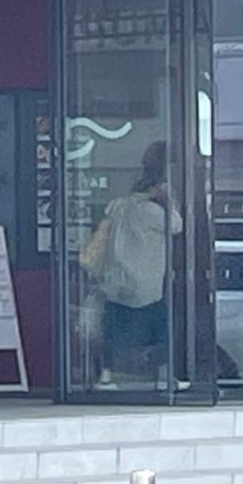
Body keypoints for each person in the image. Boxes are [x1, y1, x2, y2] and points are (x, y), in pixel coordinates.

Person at [89, 141, 182, 389]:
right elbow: (177, 225)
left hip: (116, 279)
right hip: (145, 283)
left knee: (111, 330)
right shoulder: (153, 212)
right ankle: (164, 376)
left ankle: (105, 375)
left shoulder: (119, 206)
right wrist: (168, 201)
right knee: (162, 328)